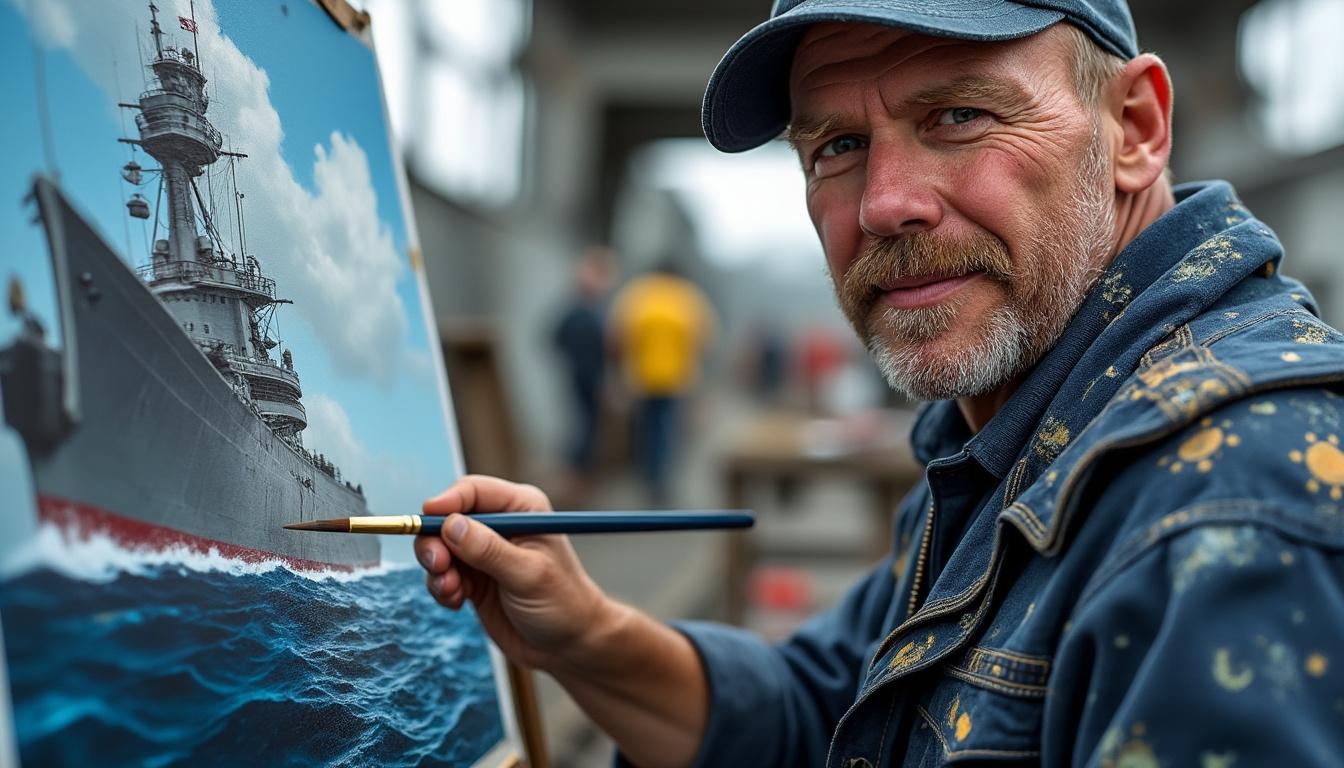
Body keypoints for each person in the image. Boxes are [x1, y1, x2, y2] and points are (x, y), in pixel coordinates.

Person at [416, 1, 1344, 765]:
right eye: (836, 147)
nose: (883, 202)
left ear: (1134, 129)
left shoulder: (1233, 509)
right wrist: (583, 636)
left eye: (959, 116)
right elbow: (825, 707)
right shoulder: (1019, 432)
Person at [608, 260, 715, 505]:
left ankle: (650, 477)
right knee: (669, 429)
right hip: (677, 379)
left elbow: (617, 337)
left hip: (641, 377)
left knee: (647, 428)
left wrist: (616, 373)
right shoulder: (687, 296)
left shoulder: (637, 294)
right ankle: (662, 479)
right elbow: (704, 340)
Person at [552, 246, 616, 485]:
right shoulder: (580, 311)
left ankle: (580, 472)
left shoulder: (591, 310)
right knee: (584, 424)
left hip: (588, 374)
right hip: (583, 374)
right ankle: (577, 472)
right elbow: (556, 337)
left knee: (586, 424)